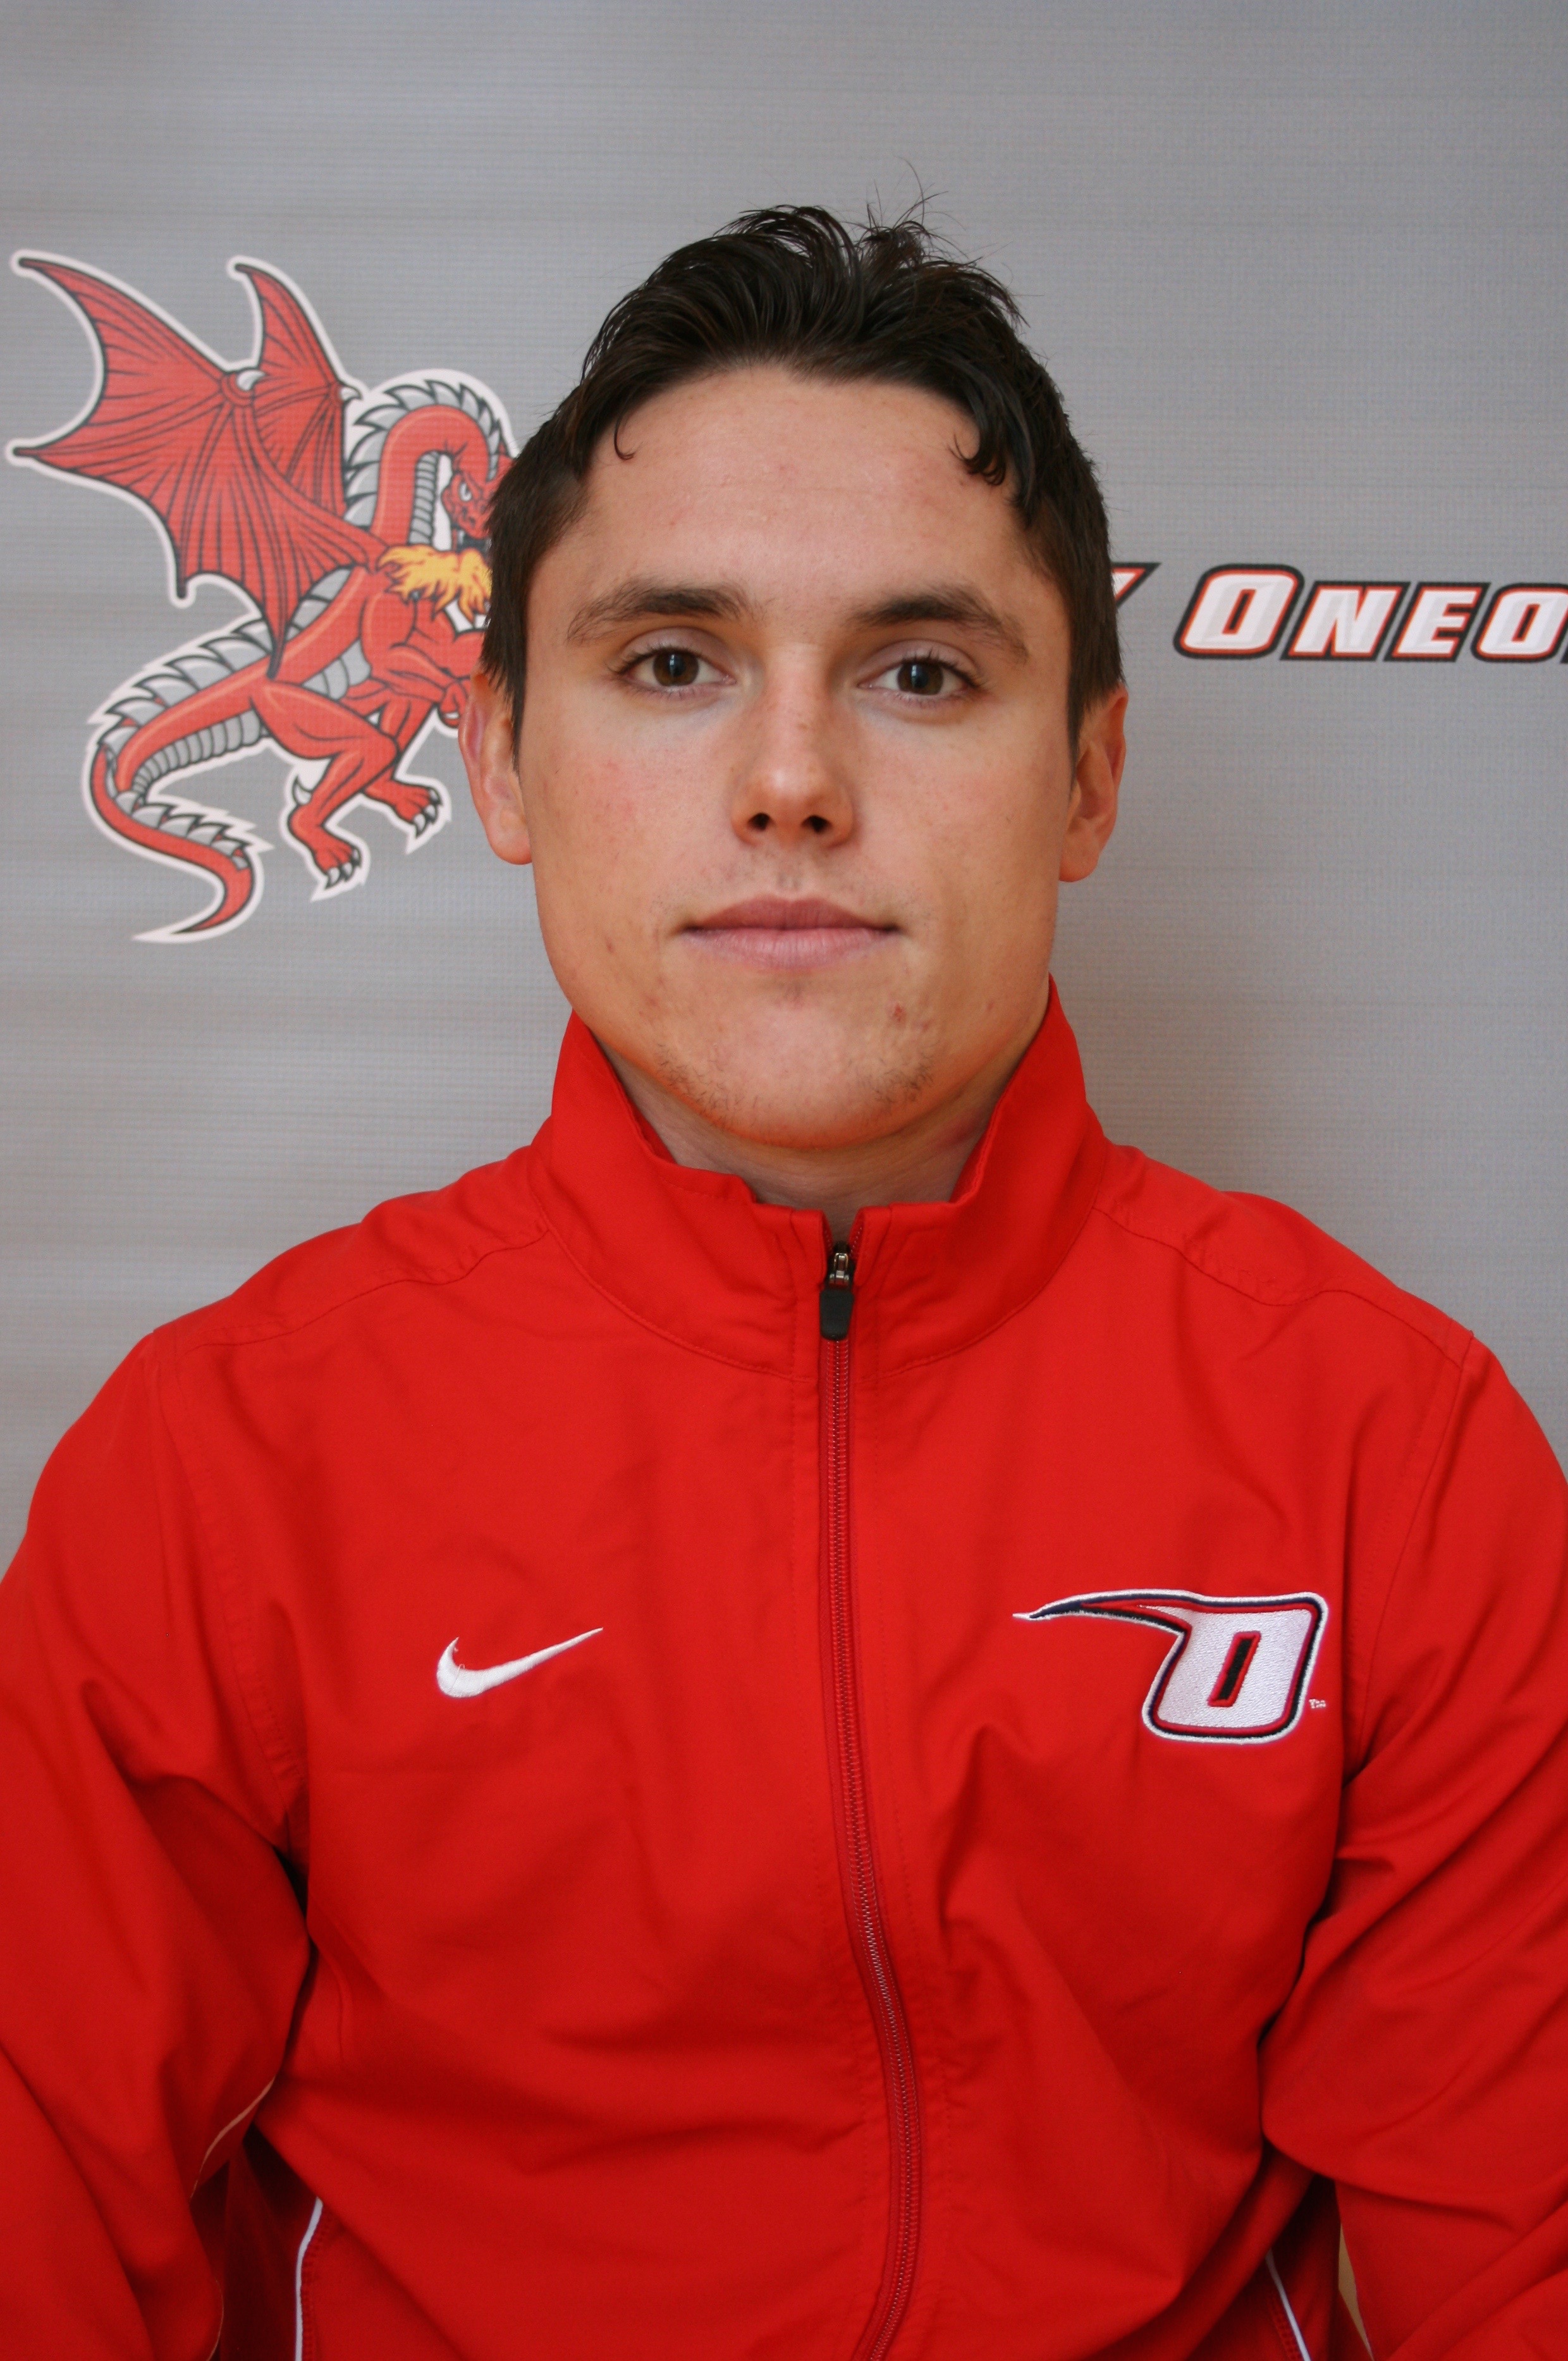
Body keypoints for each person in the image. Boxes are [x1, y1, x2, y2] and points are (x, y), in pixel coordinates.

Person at [1, 207, 1562, 2361]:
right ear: (497, 762)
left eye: (922, 674)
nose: (795, 784)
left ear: (1088, 775)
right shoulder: (225, 1467)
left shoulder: (1394, 1449)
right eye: (672, 665)